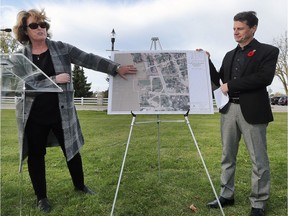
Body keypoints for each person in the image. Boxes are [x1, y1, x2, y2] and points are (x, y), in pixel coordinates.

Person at [12, 8, 136, 213]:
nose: (40, 28)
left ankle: (80, 185)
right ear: (25, 30)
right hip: (33, 116)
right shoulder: (20, 57)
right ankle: (41, 198)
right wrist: (54, 80)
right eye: (34, 25)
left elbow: (89, 58)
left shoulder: (61, 48)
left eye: (43, 24)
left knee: (72, 150)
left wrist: (114, 68)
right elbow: (25, 85)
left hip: (62, 113)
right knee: (36, 155)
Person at [198, 11, 279, 216]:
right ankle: (226, 194)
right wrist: (206, 61)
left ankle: (259, 203)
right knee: (227, 155)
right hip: (228, 111)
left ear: (253, 29)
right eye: (234, 28)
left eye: (240, 28)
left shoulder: (268, 51)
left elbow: (264, 78)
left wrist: (231, 85)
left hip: (253, 111)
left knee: (258, 159)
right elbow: (219, 80)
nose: (235, 32)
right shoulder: (229, 55)